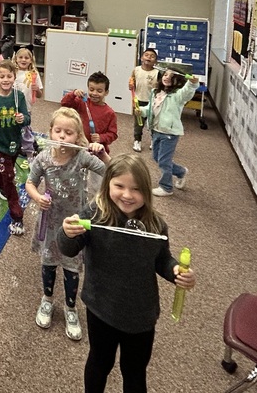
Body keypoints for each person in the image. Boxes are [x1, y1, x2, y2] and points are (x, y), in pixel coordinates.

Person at [59, 154, 196, 393]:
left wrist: (175, 271)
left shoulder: (155, 224)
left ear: (146, 191)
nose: (127, 195)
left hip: (140, 315)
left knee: (134, 371)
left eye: (136, 189)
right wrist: (66, 233)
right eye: (119, 186)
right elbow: (69, 249)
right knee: (100, 363)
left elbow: (161, 258)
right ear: (107, 185)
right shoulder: (94, 214)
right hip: (101, 308)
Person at [25, 107, 107, 341]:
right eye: (58, 131)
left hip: (74, 222)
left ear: (78, 137)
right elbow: (30, 183)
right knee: (48, 262)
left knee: (72, 266)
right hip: (50, 221)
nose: (62, 136)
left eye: (68, 133)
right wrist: (37, 197)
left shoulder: (81, 157)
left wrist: (100, 153)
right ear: (50, 132)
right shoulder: (43, 158)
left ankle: (71, 308)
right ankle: (47, 299)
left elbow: (110, 170)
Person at [0, 59, 30, 235]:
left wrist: (22, 119)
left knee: (5, 173)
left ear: (14, 77)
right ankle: (16, 215)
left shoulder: (19, 96)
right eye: (1, 76)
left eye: (9, 76)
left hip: (14, 142)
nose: (6, 79)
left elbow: (27, 118)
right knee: (10, 176)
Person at [140, 68, 198, 197]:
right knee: (156, 157)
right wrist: (141, 110)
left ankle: (166, 187)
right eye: (165, 75)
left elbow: (187, 91)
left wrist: (192, 83)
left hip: (169, 133)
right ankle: (181, 171)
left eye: (171, 76)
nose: (167, 77)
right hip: (156, 130)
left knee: (164, 161)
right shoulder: (156, 93)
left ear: (177, 80)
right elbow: (151, 108)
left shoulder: (177, 96)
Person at [61, 72, 119, 152]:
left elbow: (113, 134)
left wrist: (101, 137)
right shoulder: (82, 102)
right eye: (91, 90)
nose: (94, 93)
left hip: (96, 150)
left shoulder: (110, 113)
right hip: (78, 145)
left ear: (106, 92)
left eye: (99, 91)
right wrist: (73, 94)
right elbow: (64, 103)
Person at [13, 45, 43, 156]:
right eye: (20, 57)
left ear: (31, 60)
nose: (23, 60)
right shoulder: (13, 73)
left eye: (26, 58)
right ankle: (17, 145)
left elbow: (40, 95)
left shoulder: (34, 74)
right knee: (14, 127)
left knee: (25, 128)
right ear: (16, 59)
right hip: (12, 107)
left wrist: (37, 90)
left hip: (26, 107)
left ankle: (29, 149)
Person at [128, 49, 159, 152]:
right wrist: (130, 84)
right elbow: (132, 82)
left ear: (155, 61)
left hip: (152, 102)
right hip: (138, 101)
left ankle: (154, 141)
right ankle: (137, 140)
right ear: (141, 58)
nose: (149, 57)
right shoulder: (136, 70)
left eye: (152, 56)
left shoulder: (157, 73)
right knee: (139, 123)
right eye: (146, 55)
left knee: (153, 122)